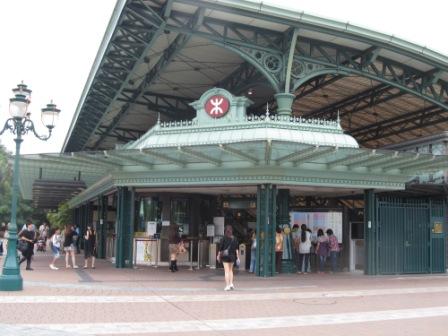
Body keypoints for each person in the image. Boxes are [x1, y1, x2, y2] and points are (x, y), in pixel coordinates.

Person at [217, 225, 239, 291]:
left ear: (225, 230)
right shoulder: (234, 238)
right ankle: (231, 283)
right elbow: (236, 248)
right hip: (232, 256)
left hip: (225, 256)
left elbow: (220, 248)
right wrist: (237, 257)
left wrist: (218, 255)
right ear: (231, 230)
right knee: (230, 270)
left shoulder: (223, 238)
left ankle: (227, 286)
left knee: (226, 271)